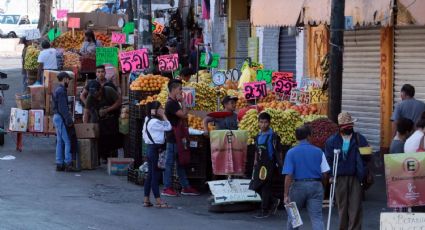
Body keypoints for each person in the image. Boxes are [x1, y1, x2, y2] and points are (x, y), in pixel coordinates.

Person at [325, 112, 368, 230]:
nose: (350, 128)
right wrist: (330, 175)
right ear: (340, 128)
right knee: (342, 207)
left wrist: (363, 169)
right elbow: (328, 159)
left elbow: (367, 157)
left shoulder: (360, 139)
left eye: (351, 126)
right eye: (347, 126)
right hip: (339, 177)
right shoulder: (332, 141)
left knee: (355, 207)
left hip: (355, 176)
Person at [283, 125, 330, 230]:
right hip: (316, 186)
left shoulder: (291, 153)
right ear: (309, 136)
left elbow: (289, 175)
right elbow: (325, 173)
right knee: (317, 218)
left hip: (297, 187)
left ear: (296, 137)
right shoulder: (319, 151)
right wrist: (322, 186)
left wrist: (286, 194)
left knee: (293, 218)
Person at [162, 79, 200, 197]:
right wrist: (183, 101)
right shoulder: (171, 104)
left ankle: (185, 187)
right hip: (173, 138)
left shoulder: (174, 102)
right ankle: (167, 187)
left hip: (177, 137)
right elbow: (184, 115)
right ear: (173, 89)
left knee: (180, 163)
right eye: (180, 89)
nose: (181, 91)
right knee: (169, 163)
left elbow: (184, 114)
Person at [249, 112, 282, 219]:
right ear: (258, 123)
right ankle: (274, 200)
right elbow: (256, 150)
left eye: (265, 122)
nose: (263, 125)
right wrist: (255, 161)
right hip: (259, 164)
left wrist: (280, 165)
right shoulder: (257, 136)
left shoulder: (274, 136)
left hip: (269, 164)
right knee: (255, 186)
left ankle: (264, 210)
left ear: (269, 123)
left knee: (265, 187)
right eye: (261, 122)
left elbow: (279, 151)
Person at [83, 80, 122, 163]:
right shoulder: (91, 96)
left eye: (96, 93)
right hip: (99, 120)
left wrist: (108, 110)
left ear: (100, 89)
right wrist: (85, 127)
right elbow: (86, 112)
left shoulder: (109, 90)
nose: (95, 96)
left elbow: (119, 102)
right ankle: (101, 157)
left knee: (113, 139)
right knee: (100, 139)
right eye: (93, 94)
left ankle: (112, 157)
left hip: (112, 118)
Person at [142, 101, 172, 208]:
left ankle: (146, 199)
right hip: (156, 150)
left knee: (150, 175)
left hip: (151, 149)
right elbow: (169, 127)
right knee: (155, 175)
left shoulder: (147, 120)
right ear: (155, 110)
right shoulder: (155, 122)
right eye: (160, 108)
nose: (162, 109)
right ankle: (158, 201)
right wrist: (163, 115)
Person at [52, 72, 78, 172]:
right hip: (60, 117)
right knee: (67, 141)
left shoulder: (57, 89)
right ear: (65, 79)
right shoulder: (61, 91)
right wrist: (69, 120)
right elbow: (63, 109)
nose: (69, 82)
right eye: (68, 80)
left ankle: (59, 164)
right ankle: (68, 163)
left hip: (57, 117)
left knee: (60, 141)